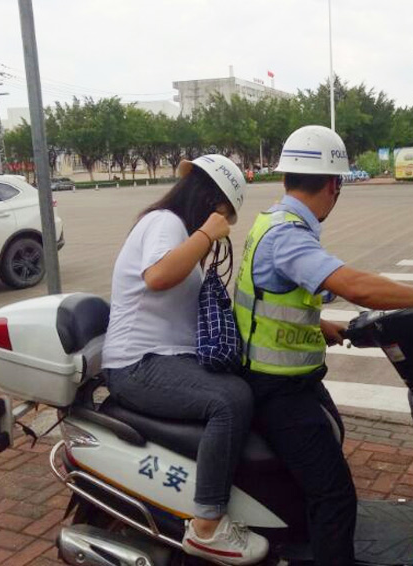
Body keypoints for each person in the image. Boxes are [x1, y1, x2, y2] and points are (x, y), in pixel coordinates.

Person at [233, 125, 413, 565]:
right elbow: (355, 285)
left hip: (286, 378)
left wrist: (320, 323)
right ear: (333, 184)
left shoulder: (272, 220)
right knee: (336, 496)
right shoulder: (288, 234)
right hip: (279, 389)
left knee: (323, 459)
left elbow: (277, 292)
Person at [102, 154, 269, 565]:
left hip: (165, 357)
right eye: (225, 215)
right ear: (211, 202)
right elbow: (157, 276)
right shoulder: (166, 223)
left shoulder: (178, 230)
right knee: (228, 400)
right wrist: (207, 234)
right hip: (136, 363)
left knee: (247, 384)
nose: (226, 224)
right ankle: (207, 526)